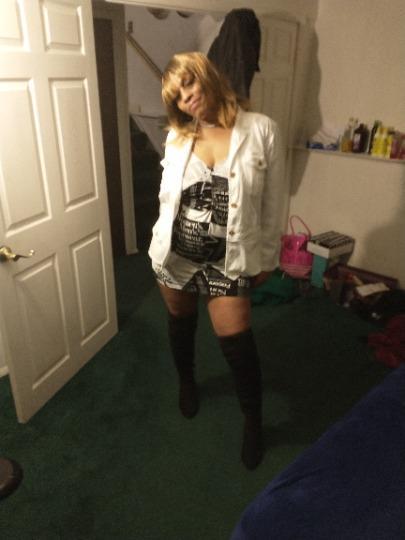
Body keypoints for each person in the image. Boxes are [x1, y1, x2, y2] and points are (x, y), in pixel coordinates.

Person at [149, 52, 285, 470]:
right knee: (180, 322)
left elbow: (274, 202)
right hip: (176, 255)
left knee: (237, 343)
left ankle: (253, 422)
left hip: (230, 258)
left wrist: (268, 258)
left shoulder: (261, 129)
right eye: (178, 95)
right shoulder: (178, 137)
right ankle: (187, 381)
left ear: (207, 76)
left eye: (189, 83)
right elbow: (168, 199)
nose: (187, 97)